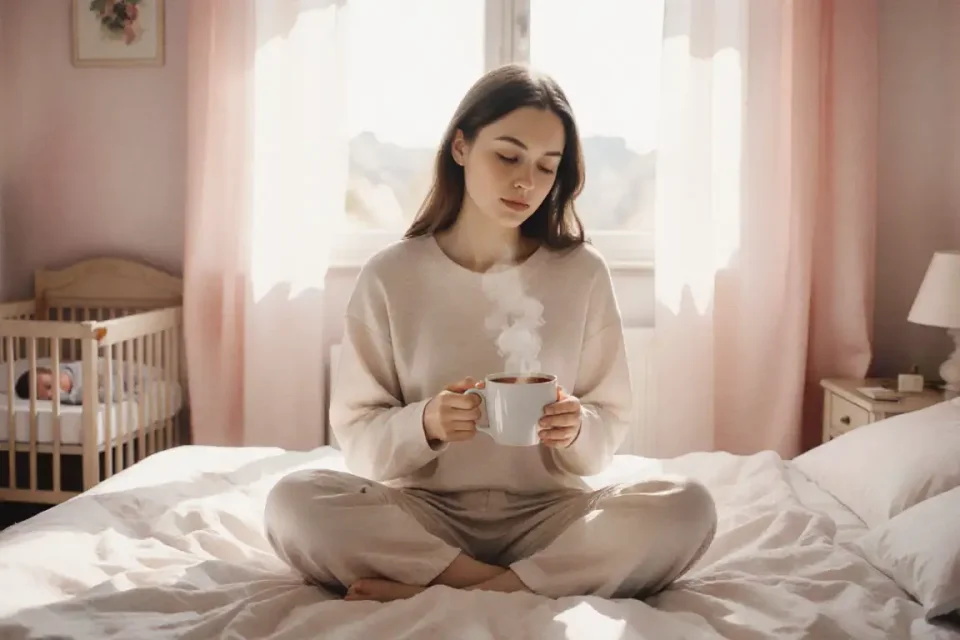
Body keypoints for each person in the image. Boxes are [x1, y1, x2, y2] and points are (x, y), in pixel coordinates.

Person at [264, 63, 717, 603]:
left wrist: (576, 428)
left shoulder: (582, 272)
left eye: (548, 167)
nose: (527, 181)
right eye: (508, 156)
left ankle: (443, 588)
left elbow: (606, 429)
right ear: (461, 147)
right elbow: (358, 442)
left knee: (688, 504)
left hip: (550, 515)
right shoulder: (391, 274)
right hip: (425, 514)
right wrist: (426, 422)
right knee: (293, 500)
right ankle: (499, 585)